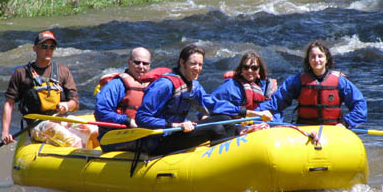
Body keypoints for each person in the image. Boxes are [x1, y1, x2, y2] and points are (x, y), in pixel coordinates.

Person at [135, 44, 271, 156]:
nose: (198, 68)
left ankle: (230, 158)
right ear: (182, 63)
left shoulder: (194, 85)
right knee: (215, 129)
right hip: (159, 140)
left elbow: (213, 103)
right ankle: (220, 164)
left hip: (176, 133)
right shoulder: (164, 85)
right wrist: (175, 125)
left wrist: (248, 113)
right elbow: (141, 118)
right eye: (193, 64)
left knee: (225, 119)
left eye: (200, 64)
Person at [256, 40, 367, 128]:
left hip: (332, 131)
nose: (316, 60)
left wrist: (345, 123)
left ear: (326, 59)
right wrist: (255, 114)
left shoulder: (340, 81)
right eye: (312, 57)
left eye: (320, 56)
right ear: (308, 60)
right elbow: (275, 103)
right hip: (306, 130)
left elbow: (360, 105)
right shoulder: (297, 81)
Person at [1, 30, 82, 146]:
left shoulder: (63, 71)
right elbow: (9, 103)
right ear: (35, 48)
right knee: (74, 140)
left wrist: (66, 106)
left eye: (52, 47)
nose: (48, 50)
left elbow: (75, 102)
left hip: (60, 119)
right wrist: (5, 132)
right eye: (44, 46)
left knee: (91, 131)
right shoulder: (21, 73)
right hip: (37, 124)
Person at [94, 47, 154, 151]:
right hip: (115, 138)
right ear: (129, 62)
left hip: (143, 133)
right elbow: (101, 111)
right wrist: (127, 120)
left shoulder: (153, 86)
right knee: (152, 143)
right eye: (137, 62)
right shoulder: (116, 85)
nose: (141, 67)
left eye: (145, 64)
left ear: (149, 66)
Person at [211, 50, 277, 113]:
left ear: (259, 70)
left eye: (254, 68)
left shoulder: (266, 88)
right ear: (241, 69)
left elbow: (275, 110)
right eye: (246, 67)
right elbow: (211, 102)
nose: (250, 70)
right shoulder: (230, 86)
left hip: (261, 119)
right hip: (237, 117)